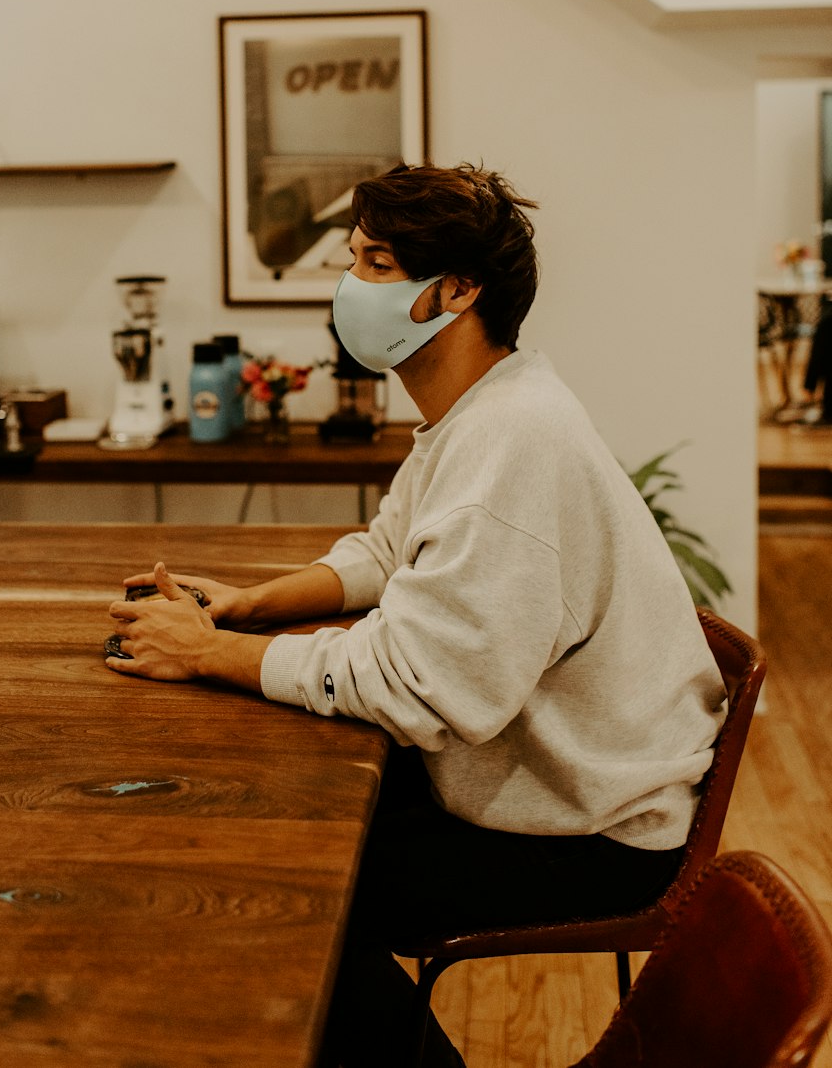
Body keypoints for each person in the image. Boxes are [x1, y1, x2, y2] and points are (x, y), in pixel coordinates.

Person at [105, 161, 727, 1068]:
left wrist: (208, 655)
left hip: (594, 829)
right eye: (353, 261)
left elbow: (418, 691)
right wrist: (250, 605)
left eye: (377, 264)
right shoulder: (483, 410)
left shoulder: (515, 447)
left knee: (278, 892)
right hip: (529, 775)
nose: (350, 287)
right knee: (263, 828)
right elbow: (389, 550)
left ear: (459, 290)